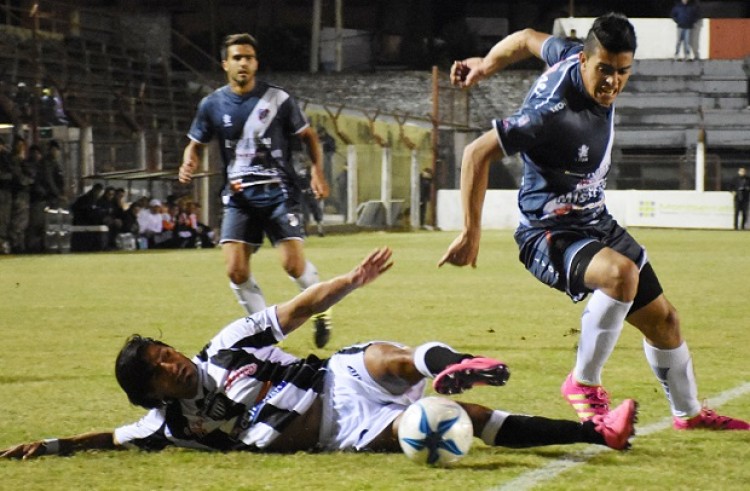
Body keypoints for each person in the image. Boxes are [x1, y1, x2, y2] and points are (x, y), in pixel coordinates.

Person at [0, 247, 638, 460]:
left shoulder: (226, 344)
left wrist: (352, 281)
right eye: (160, 370)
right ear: (153, 393)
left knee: (392, 359)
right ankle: (596, 434)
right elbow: (109, 438)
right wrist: (50, 446)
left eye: (166, 351)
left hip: (338, 375)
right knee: (455, 422)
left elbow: (298, 310)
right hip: (344, 430)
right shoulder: (169, 426)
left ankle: (449, 363)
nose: (173, 363)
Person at [440, 13, 749, 431]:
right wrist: (470, 232)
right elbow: (476, 153)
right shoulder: (551, 114)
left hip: (595, 220)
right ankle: (582, 383)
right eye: (604, 70)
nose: (612, 82)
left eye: (623, 71)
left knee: (665, 321)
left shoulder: (572, 53)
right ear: (585, 61)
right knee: (621, 275)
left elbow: (526, 38)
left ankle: (689, 415)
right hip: (548, 233)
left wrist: (485, 65)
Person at [178, 33, 333, 349]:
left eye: (248, 57)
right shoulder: (212, 104)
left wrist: (317, 171)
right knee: (236, 271)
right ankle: (266, 337)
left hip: (279, 192)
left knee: (292, 266)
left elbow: (309, 136)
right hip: (239, 197)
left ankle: (322, 310)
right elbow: (195, 143)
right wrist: (188, 161)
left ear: (256, 63)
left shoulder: (278, 100)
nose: (243, 63)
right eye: (237, 57)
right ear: (225, 64)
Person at [0, 136, 12, 254]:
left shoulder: (6, 157)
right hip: (4, 191)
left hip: (4, 191)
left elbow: (11, 174)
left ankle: (3, 243)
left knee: (4, 219)